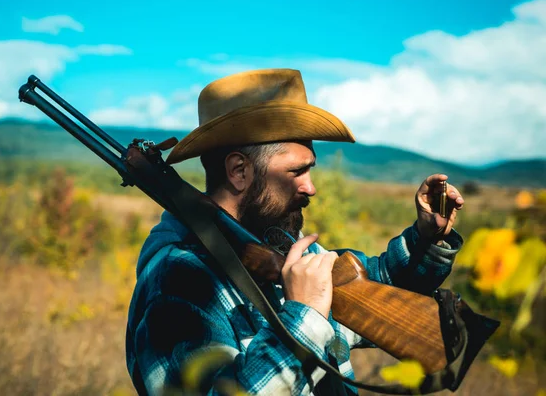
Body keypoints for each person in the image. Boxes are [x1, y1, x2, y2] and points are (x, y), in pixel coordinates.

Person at [125, 68, 465, 395]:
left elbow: (376, 288)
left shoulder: (277, 245)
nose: (311, 188)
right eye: (297, 171)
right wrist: (305, 316)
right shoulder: (177, 284)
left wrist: (425, 237)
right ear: (239, 171)